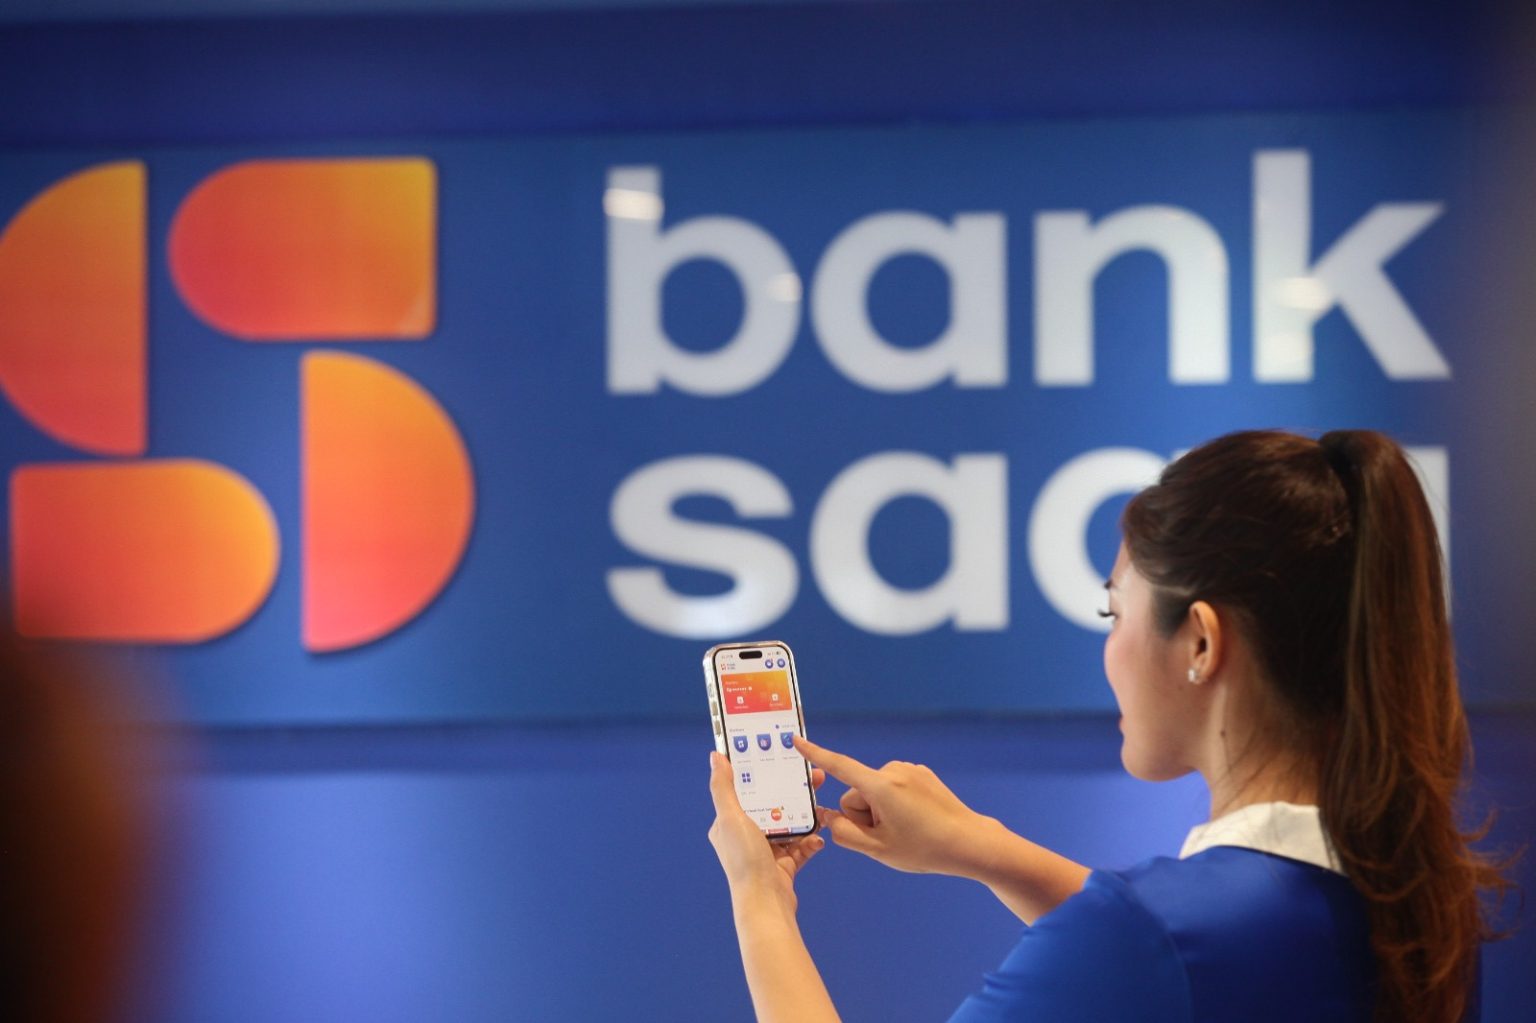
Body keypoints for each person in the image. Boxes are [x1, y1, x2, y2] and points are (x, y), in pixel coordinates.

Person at [706, 429, 1510, 1022]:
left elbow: (1159, 951)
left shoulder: (1146, 935)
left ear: (1201, 641)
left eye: (1113, 610)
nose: (1109, 648)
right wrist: (984, 848)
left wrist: (759, 895)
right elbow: (1195, 969)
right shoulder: (1415, 912)